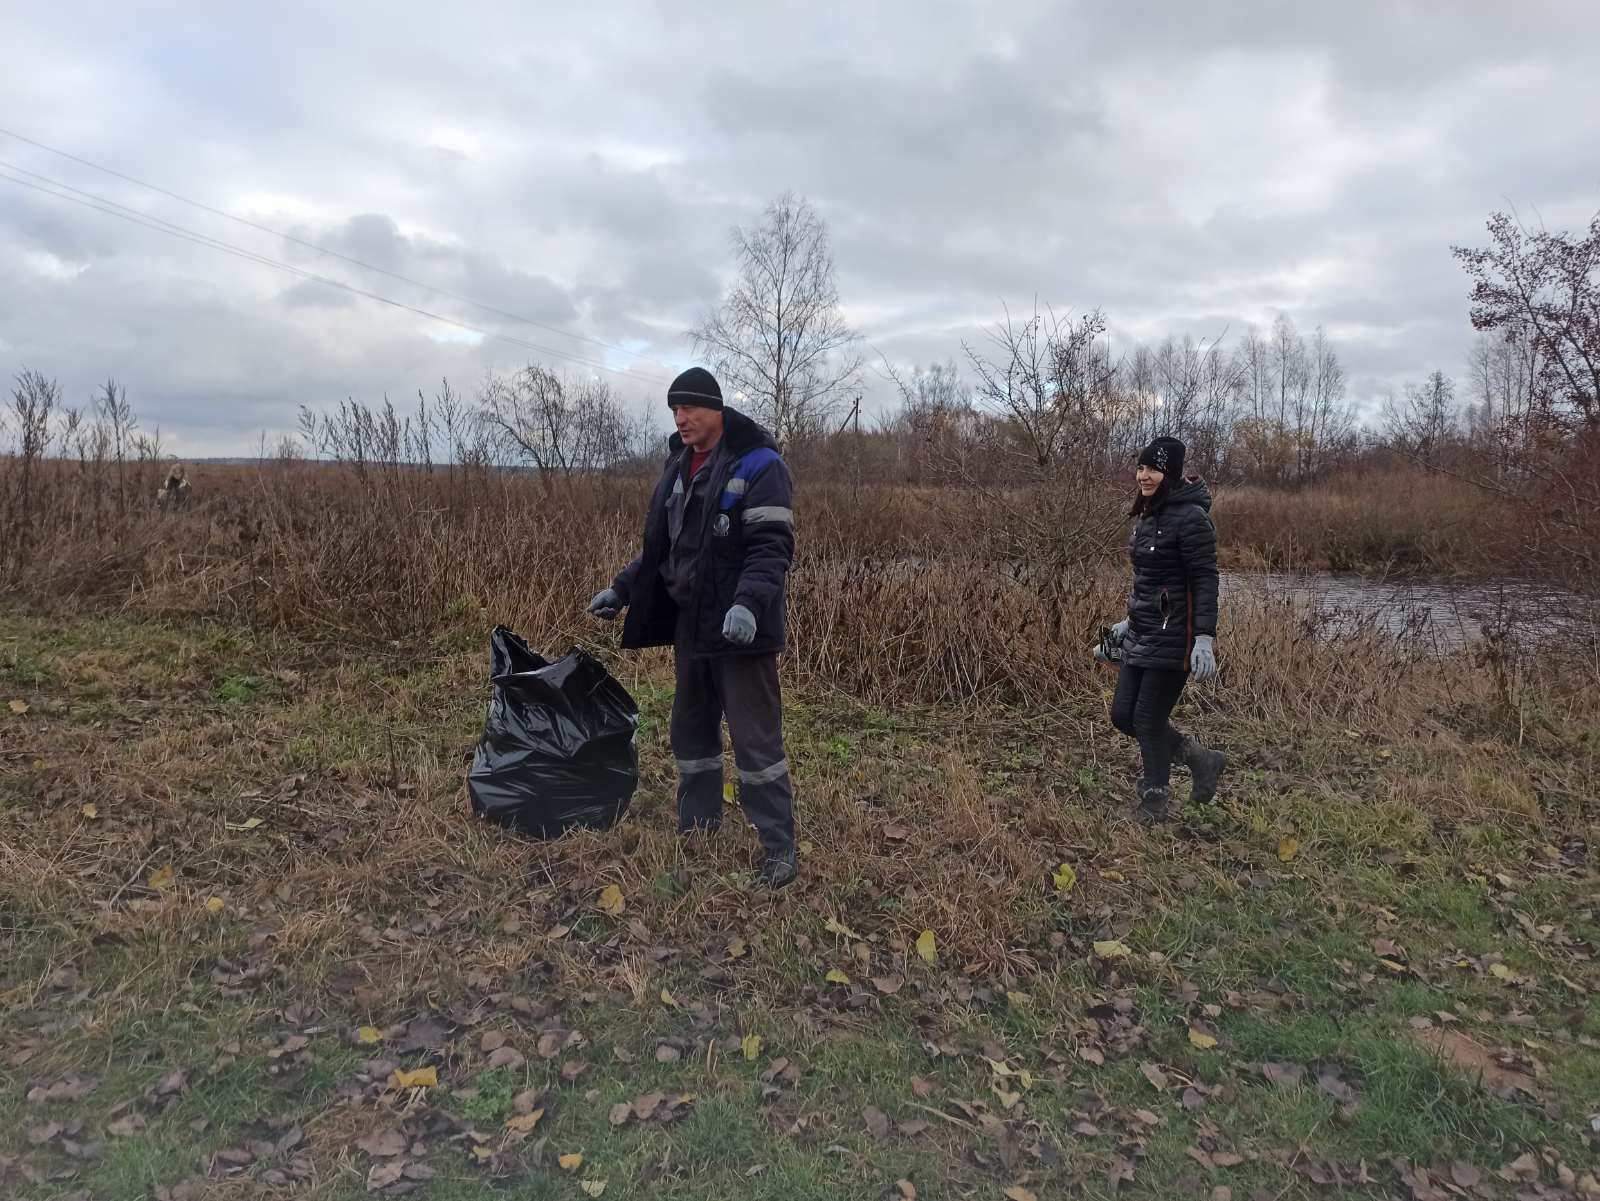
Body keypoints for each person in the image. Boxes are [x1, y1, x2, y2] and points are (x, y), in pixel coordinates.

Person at [587, 367, 799, 887]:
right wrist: (623, 588)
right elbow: (666, 548)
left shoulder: (760, 464)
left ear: (716, 410)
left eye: (689, 408)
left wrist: (748, 605)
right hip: (692, 626)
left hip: (740, 633)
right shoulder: (679, 465)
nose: (679, 418)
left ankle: (778, 847)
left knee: (755, 743)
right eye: (674, 410)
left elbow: (772, 548)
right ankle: (699, 827)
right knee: (692, 730)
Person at [1102, 436, 1227, 824]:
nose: (1144, 476)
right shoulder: (1148, 515)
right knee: (1123, 715)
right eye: (1140, 467)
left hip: (1177, 635)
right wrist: (1125, 624)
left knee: (1147, 718)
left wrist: (1204, 638)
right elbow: (1148, 582)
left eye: (1153, 469)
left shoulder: (1192, 519)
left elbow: (1205, 580)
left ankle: (1155, 799)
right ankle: (1199, 758)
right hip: (1144, 631)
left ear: (1169, 473)